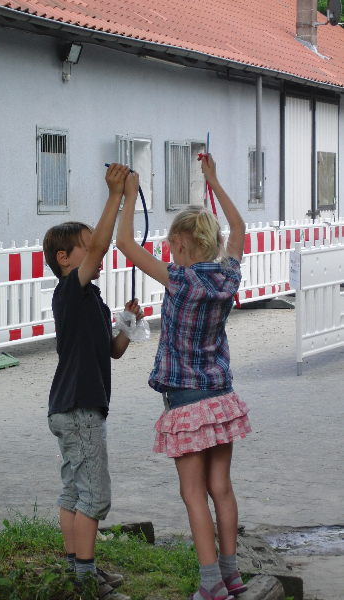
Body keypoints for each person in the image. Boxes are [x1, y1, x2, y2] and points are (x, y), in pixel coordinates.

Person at [116, 155, 251, 600]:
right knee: (221, 488)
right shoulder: (228, 275)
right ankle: (231, 576)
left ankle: (210, 584)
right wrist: (214, 180)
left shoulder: (179, 280)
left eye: (172, 244)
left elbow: (124, 242)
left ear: (178, 242)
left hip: (187, 403)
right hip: (221, 395)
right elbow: (239, 227)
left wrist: (128, 196)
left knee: (193, 494)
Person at [43, 163, 143, 600]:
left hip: (71, 408)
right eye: (87, 247)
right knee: (94, 496)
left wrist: (127, 325)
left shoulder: (92, 300)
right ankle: (86, 581)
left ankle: (76, 571)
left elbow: (113, 351)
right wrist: (116, 195)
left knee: (73, 492)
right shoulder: (70, 290)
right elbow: (103, 244)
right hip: (80, 409)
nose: (97, 253)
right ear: (65, 259)